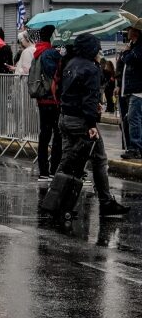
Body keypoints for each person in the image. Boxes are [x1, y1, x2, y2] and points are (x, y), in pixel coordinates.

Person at [52, 33, 130, 218]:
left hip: (65, 118)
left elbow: (66, 91)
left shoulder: (69, 63)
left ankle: (55, 197)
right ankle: (105, 202)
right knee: (99, 160)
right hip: (81, 121)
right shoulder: (91, 69)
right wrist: (91, 123)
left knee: (67, 159)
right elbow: (88, 98)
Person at [33, 25, 63, 181]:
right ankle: (53, 169)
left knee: (44, 135)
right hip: (52, 99)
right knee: (57, 135)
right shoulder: (51, 53)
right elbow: (54, 76)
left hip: (42, 99)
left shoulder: (38, 52)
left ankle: (43, 170)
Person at [117, 28, 142, 160]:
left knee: (134, 119)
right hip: (130, 89)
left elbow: (130, 59)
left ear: (136, 32)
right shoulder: (133, 46)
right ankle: (134, 146)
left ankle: (135, 147)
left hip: (137, 90)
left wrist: (126, 52)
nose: (127, 32)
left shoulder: (138, 48)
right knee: (130, 119)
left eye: (130, 30)